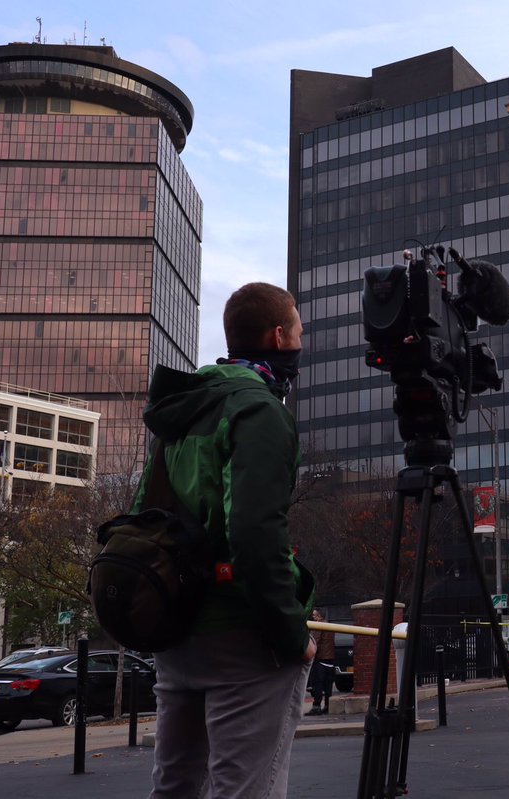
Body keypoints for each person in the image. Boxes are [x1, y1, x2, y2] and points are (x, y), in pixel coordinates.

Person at [138, 282, 316, 799]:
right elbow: (255, 536)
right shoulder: (257, 411)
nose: (300, 341)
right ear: (279, 336)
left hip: (177, 627)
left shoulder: (186, 408)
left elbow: (150, 515)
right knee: (244, 788)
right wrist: (291, 634)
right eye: (299, 331)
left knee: (174, 786)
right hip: (241, 636)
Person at [307, 609, 336, 715]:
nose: (313, 617)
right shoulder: (329, 626)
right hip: (330, 660)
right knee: (328, 686)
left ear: (319, 616)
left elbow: (315, 642)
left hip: (320, 660)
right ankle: (328, 706)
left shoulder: (318, 626)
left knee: (317, 685)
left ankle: (316, 707)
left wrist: (309, 655)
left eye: (314, 615)